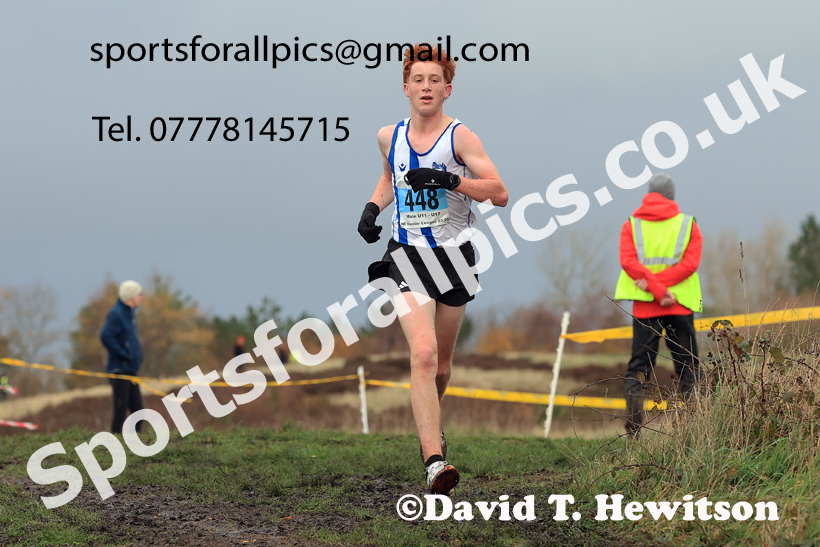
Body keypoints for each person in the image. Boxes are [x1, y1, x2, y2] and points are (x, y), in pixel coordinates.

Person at [357, 43, 508, 494]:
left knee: (441, 368)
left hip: (455, 257)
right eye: (418, 80)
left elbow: (499, 192)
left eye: (434, 81)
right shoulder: (389, 135)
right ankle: (434, 462)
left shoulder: (461, 138)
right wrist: (371, 206)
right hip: (406, 255)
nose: (426, 87)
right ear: (405, 88)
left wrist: (450, 179)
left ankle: (432, 425)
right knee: (422, 355)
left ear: (447, 89)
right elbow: (390, 177)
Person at [613, 173, 703, 437]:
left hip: (646, 308)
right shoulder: (689, 225)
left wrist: (654, 289)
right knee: (689, 368)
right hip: (679, 306)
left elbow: (629, 262)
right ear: (672, 196)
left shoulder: (631, 225)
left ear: (649, 194)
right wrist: (664, 291)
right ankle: (697, 433)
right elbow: (690, 264)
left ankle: (634, 435)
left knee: (639, 370)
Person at [100, 280, 145, 434]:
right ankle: (115, 442)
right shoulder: (116, 314)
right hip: (120, 370)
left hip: (130, 370)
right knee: (120, 410)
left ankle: (135, 443)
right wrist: (123, 354)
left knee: (138, 411)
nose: (141, 298)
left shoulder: (129, 314)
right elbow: (105, 336)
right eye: (139, 295)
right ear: (131, 296)